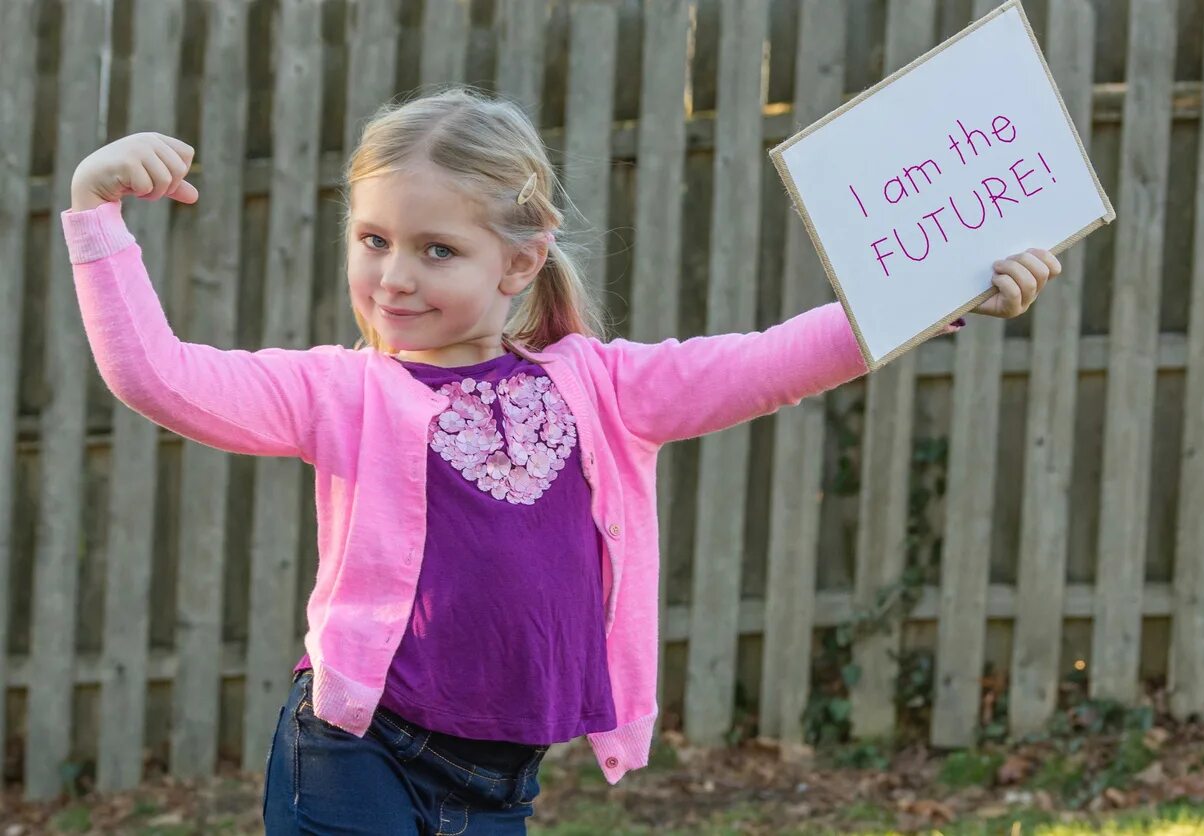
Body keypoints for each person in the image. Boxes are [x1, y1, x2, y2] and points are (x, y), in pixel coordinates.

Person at [61, 86, 1061, 834]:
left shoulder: (605, 387)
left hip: (501, 776)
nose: (394, 277)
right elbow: (161, 376)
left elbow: (769, 361)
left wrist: (935, 296)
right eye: (374, 240)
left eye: (435, 249)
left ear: (521, 258)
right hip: (357, 748)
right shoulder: (343, 390)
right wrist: (96, 215)